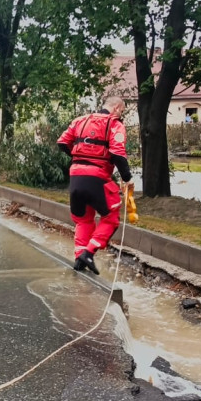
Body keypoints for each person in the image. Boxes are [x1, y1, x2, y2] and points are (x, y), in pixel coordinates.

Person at [56, 96, 133, 275]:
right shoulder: (115, 125)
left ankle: (79, 259)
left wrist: (79, 157)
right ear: (116, 108)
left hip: (76, 174)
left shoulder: (79, 121)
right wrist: (127, 178)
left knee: (83, 219)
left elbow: (62, 142)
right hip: (97, 175)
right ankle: (89, 253)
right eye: (121, 111)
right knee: (111, 217)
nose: (121, 114)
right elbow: (117, 153)